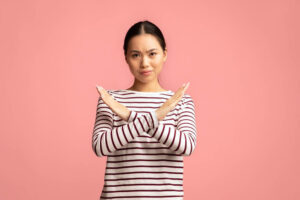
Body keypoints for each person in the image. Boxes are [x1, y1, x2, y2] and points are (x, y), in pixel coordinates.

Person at [92, 20, 197, 200]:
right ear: (125, 57)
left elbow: (186, 146)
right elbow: (100, 147)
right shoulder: (110, 100)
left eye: (152, 54)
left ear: (164, 54)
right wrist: (155, 117)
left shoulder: (180, 101)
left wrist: (129, 116)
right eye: (135, 55)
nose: (144, 63)